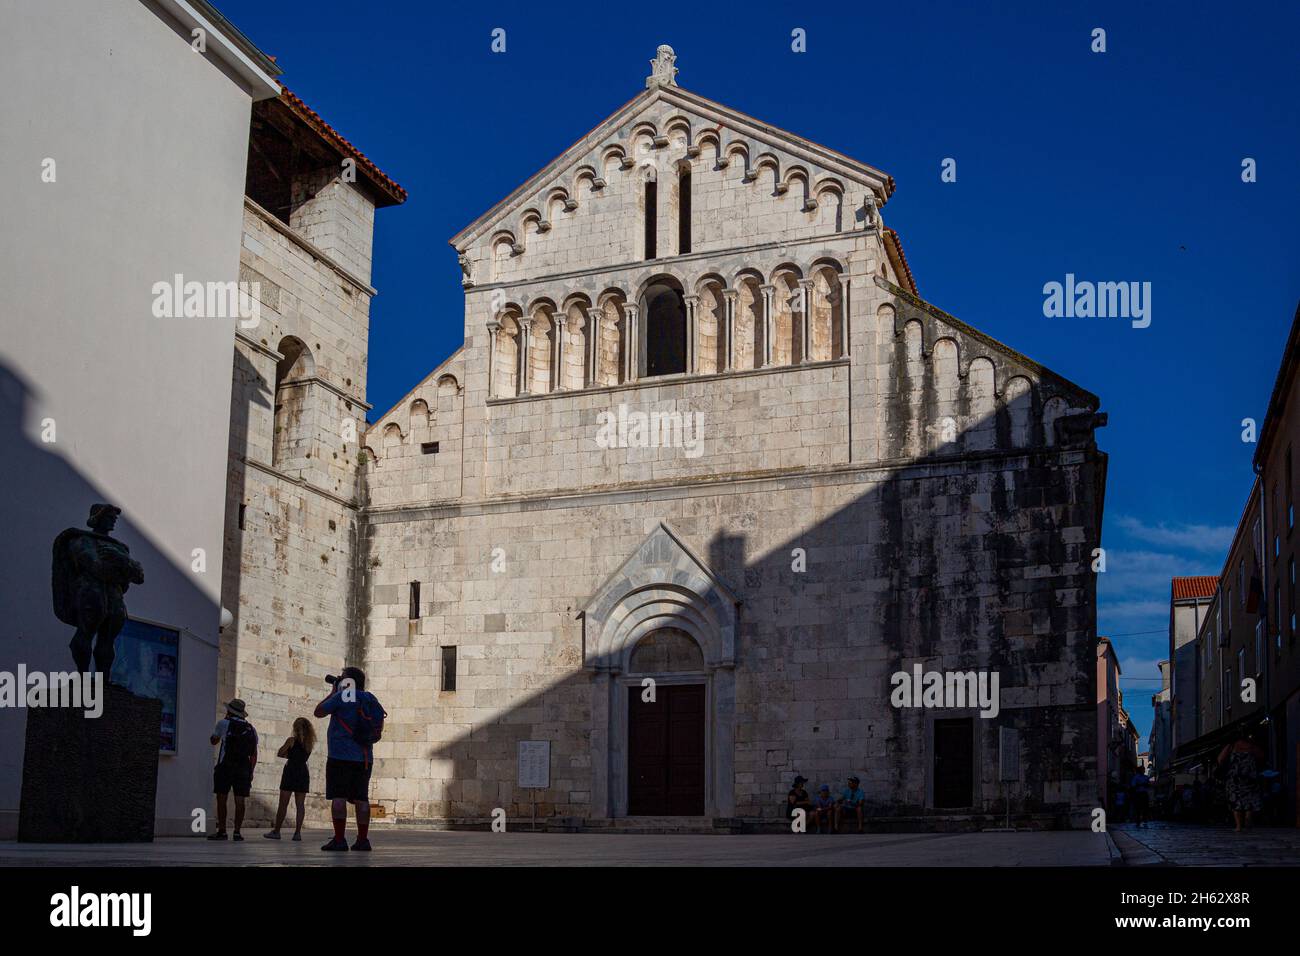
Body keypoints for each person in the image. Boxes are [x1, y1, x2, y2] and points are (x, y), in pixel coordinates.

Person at [314, 666, 386, 852]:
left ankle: (339, 839)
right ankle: (362, 840)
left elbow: (319, 712)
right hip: (364, 757)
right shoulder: (370, 698)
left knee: (339, 797)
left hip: (340, 755)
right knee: (362, 799)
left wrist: (333, 692)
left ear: (347, 682)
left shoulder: (342, 697)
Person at [208, 698, 257, 842]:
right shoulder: (251, 729)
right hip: (243, 768)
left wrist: (224, 723)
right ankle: (237, 832)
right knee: (240, 801)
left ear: (229, 711)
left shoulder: (224, 723)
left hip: (225, 766)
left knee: (221, 798)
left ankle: (222, 831)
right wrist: (251, 771)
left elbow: (213, 741)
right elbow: (253, 753)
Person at [264, 717, 316, 842]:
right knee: (300, 805)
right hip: (303, 772)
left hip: (290, 771)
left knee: (283, 803)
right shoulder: (309, 743)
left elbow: (280, 753)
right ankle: (297, 833)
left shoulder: (291, 740)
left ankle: (277, 831)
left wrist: (289, 754)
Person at [1218, 732, 1265, 832]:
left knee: (1236, 802)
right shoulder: (1251, 746)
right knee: (1250, 798)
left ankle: (1238, 826)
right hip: (1250, 776)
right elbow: (1261, 756)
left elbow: (1220, 759)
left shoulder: (1231, 746)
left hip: (1235, 777)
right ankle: (1248, 815)